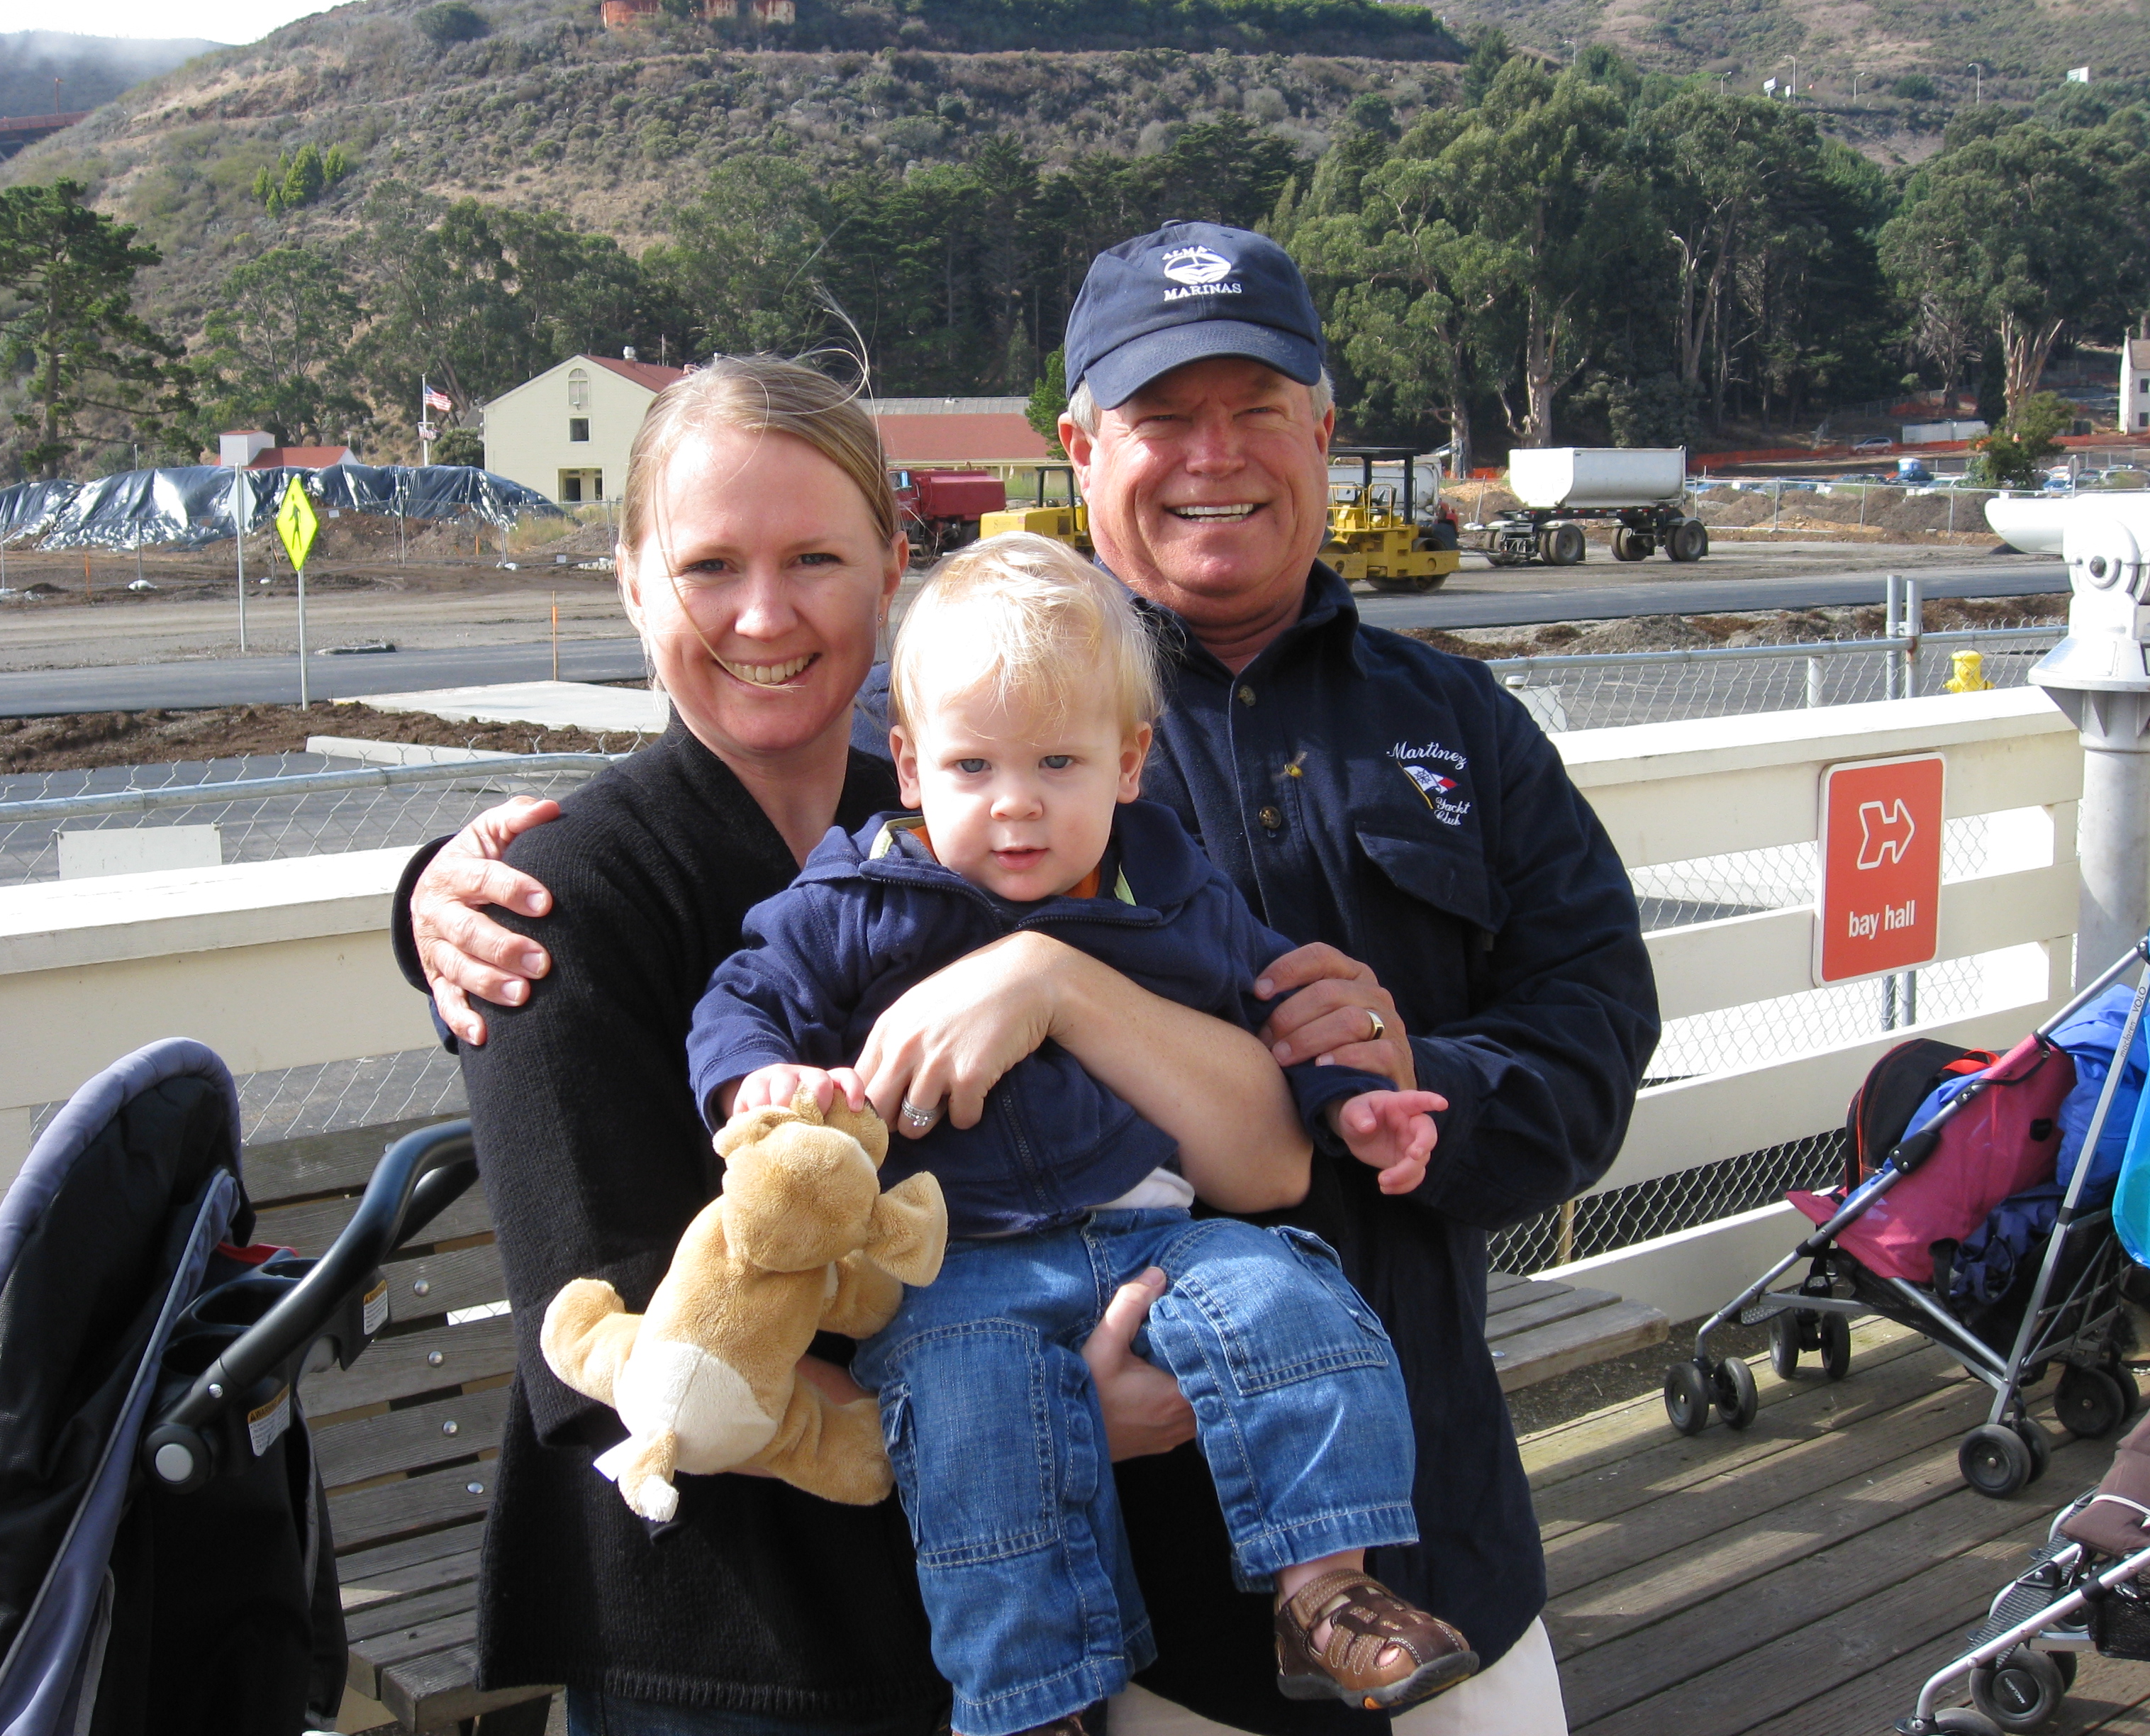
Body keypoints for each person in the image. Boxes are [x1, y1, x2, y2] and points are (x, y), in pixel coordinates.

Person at [407, 223, 1659, 1734]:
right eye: (1162, 413)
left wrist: (1393, 1090)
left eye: (1257, 408)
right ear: (1079, 446)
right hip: (974, 1609)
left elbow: (1566, 1047)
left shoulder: (1446, 723)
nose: (767, 614)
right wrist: (427, 893)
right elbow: (605, 1299)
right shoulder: (947, 758)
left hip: (1419, 1519)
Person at [406, 355, 1366, 1736]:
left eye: (815, 557)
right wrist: (1040, 1416)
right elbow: (607, 1343)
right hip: (730, 1642)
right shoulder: (558, 898)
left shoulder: (990, 807)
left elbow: (1257, 1159)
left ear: (892, 571)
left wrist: (1083, 989)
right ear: (629, 582)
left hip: (1023, 1615)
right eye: (707, 566)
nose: (764, 613)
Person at [690, 533, 1476, 1735]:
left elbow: (1281, 1004)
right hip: (957, 1264)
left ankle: (1327, 1589)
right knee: (975, 1425)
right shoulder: (856, 904)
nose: (1015, 803)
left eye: (1059, 762)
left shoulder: (1172, 889)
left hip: (1157, 1230)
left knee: (1296, 1304)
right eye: (972, 765)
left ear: (1130, 763)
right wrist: (760, 1082)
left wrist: (1350, 1102)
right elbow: (741, 1000)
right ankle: (1030, 1701)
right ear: (910, 765)